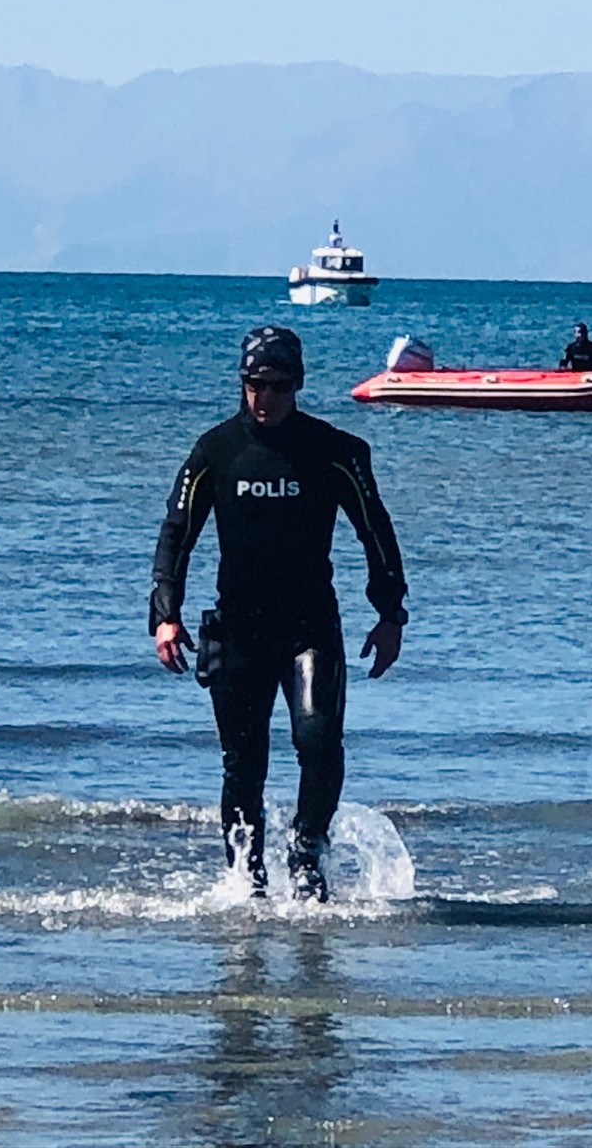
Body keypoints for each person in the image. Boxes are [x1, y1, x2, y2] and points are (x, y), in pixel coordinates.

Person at [150, 326, 408, 903]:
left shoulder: (333, 451)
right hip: (238, 628)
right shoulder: (215, 452)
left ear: (297, 385)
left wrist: (391, 613)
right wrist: (166, 615)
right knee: (243, 763)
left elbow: (376, 533)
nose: (262, 397)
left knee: (317, 741)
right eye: (252, 385)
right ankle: (247, 878)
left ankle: (308, 847)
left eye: (276, 386)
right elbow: (175, 537)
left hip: (309, 627)